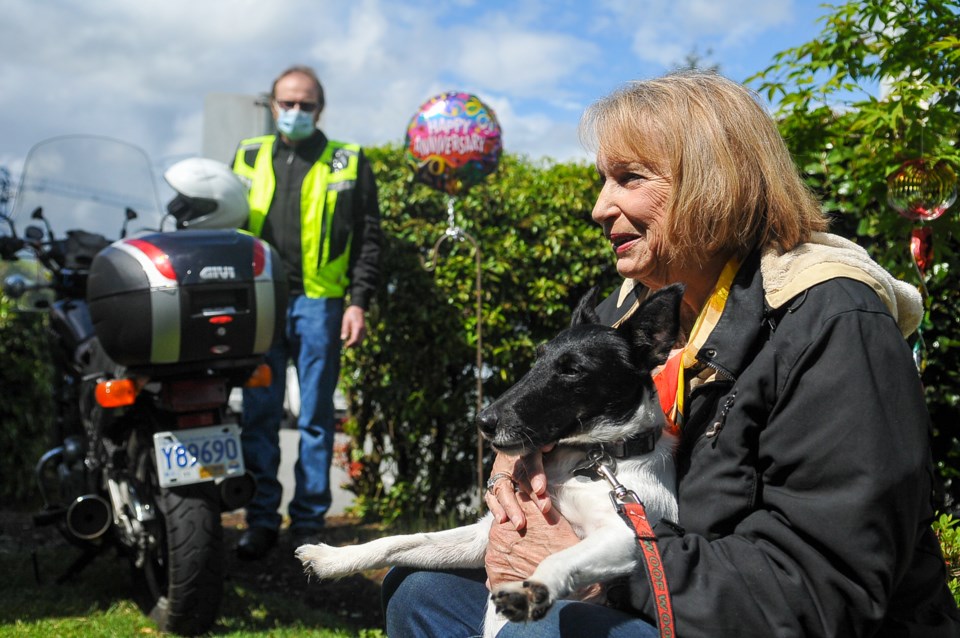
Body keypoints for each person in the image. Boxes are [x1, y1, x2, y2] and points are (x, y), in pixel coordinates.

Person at [382, 71, 960, 637]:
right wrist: (515, 468)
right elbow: (551, 419)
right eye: (603, 181)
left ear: (716, 182)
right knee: (419, 594)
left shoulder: (834, 322)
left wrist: (605, 568)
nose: (599, 208)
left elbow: (823, 592)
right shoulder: (630, 311)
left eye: (629, 178)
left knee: (547, 626)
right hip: (658, 602)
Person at [232, 64, 382, 559]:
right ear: (272, 105)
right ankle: (259, 521)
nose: (295, 112)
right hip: (261, 305)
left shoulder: (348, 160)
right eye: (287, 102)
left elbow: (368, 238)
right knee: (259, 415)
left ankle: (308, 523)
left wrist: (357, 301)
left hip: (320, 305)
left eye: (306, 104)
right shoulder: (246, 157)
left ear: (321, 109)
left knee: (317, 417)